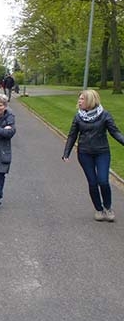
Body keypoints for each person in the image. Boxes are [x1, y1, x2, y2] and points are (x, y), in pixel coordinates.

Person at [62, 89, 124, 222]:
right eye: (79, 99)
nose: (79, 101)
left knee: (103, 180)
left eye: (82, 99)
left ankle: (108, 208)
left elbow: (115, 132)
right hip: (85, 153)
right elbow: (72, 135)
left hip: (102, 152)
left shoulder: (104, 115)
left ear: (90, 100)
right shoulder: (78, 117)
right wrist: (66, 152)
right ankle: (99, 209)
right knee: (93, 182)